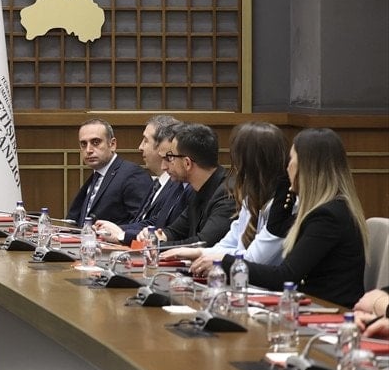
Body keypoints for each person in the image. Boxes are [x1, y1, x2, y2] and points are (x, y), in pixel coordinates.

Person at [221, 128, 367, 308]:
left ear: (306, 168)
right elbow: (276, 227)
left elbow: (284, 276)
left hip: (327, 311)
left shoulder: (328, 216)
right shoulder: (319, 209)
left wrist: (223, 262)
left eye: (291, 160)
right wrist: (286, 185)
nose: (287, 167)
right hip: (309, 306)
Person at [166, 122, 290, 276]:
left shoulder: (283, 204)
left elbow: (254, 258)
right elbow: (230, 242)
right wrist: (198, 252)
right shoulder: (250, 199)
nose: (236, 167)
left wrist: (216, 257)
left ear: (250, 163)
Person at [94, 116, 189, 244]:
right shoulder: (158, 183)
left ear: (163, 145)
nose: (140, 147)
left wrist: (122, 234)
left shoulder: (179, 185)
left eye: (145, 140)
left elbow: (164, 228)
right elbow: (150, 221)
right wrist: (117, 231)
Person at [142, 123, 236, 248]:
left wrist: (158, 246)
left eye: (171, 158)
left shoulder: (228, 195)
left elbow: (203, 243)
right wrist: (157, 236)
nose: (165, 166)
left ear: (187, 163)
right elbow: (175, 231)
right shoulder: (196, 189)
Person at [66, 118, 151, 226]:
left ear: (112, 144)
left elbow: (143, 223)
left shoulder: (132, 174)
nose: (88, 150)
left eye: (96, 142)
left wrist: (112, 232)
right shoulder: (96, 176)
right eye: (83, 144)